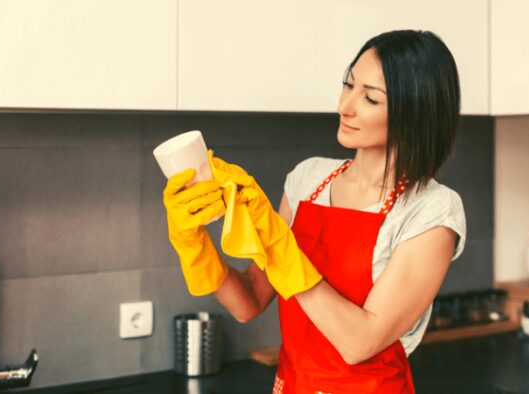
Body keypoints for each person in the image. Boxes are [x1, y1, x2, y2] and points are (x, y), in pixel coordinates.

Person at [163, 29, 466, 394]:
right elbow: (249, 302)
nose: (345, 105)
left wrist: (280, 245)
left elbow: (359, 343)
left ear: (413, 113)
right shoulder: (308, 179)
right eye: (348, 84)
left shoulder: (431, 210)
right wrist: (192, 243)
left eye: (370, 98)